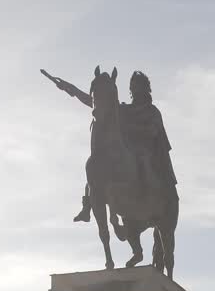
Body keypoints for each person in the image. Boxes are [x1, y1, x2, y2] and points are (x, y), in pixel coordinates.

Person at [47, 70, 178, 223]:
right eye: (133, 87)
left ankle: (151, 197)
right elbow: (96, 103)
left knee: (143, 159)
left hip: (146, 151)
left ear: (145, 89)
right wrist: (71, 89)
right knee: (97, 164)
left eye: (138, 87)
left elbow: (153, 130)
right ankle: (88, 204)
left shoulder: (152, 111)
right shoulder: (125, 109)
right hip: (128, 147)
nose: (135, 91)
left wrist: (133, 129)